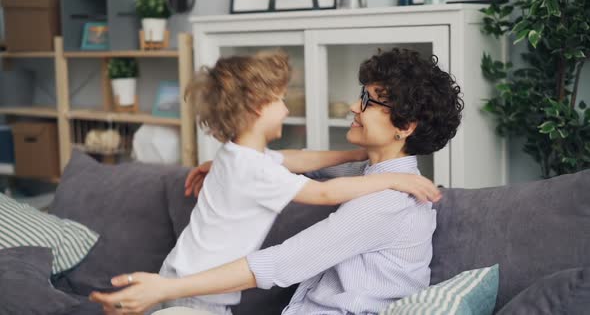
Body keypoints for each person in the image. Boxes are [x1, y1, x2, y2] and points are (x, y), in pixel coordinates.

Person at [91, 47, 463, 315]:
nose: (353, 106)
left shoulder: (387, 199)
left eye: (367, 100)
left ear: (405, 126)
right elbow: (303, 165)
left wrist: (164, 289)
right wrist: (227, 166)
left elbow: (283, 261)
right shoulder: (367, 175)